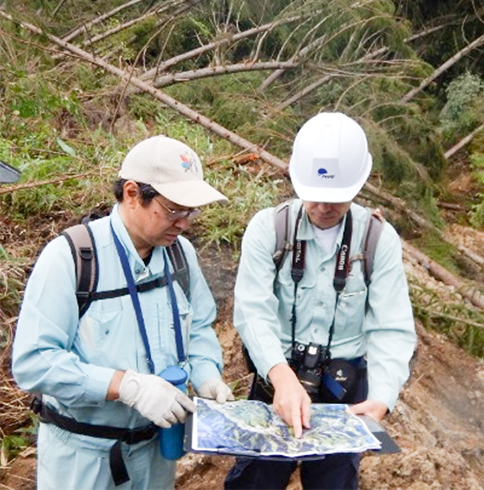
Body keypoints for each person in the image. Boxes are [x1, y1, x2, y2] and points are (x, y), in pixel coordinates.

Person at [12, 135, 234, 490]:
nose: (185, 222)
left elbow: (200, 327)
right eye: (174, 209)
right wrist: (126, 386)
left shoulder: (181, 256)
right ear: (132, 194)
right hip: (84, 459)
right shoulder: (72, 257)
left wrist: (208, 375)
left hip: (156, 453)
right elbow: (34, 362)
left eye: (191, 211)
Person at [225, 112, 417, 489]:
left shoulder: (376, 240)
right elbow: (253, 312)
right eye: (315, 196)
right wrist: (281, 378)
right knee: (253, 481)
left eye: (337, 198)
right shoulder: (270, 228)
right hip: (274, 381)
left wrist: (381, 399)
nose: (324, 207)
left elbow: (391, 327)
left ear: (359, 185)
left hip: (344, 391)